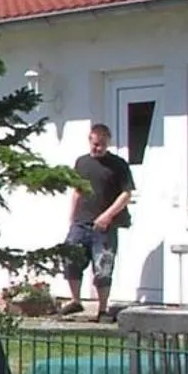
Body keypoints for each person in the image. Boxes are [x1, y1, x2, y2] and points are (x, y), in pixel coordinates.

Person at [62, 122, 134, 321]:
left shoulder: (118, 165)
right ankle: (75, 300)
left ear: (108, 142)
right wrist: (72, 216)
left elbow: (126, 194)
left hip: (105, 225)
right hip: (80, 222)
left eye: (102, 144)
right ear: (89, 141)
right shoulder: (82, 162)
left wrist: (107, 215)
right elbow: (77, 190)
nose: (98, 147)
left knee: (103, 266)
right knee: (70, 260)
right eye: (95, 143)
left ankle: (102, 309)